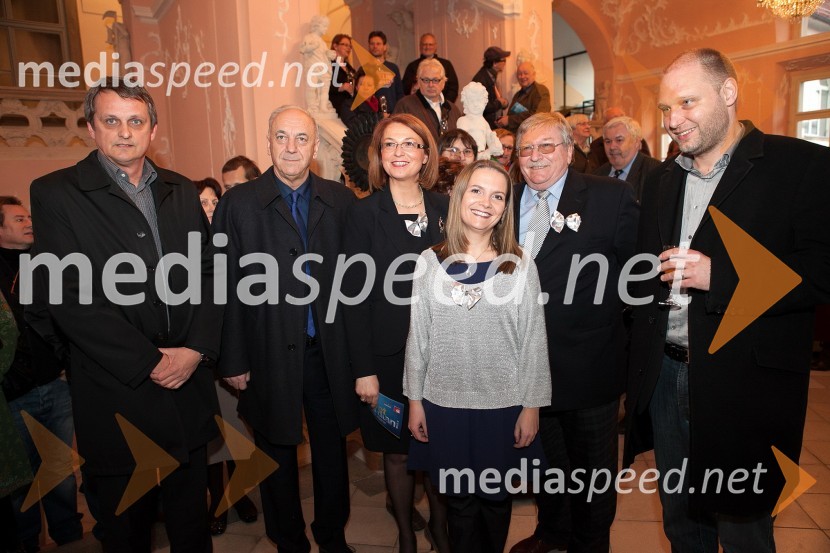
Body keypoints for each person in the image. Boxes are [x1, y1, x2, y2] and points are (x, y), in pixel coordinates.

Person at [624, 48, 830, 552]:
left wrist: (724, 276)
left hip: (746, 385)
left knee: (744, 529)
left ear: (729, 93)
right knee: (682, 523)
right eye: (666, 109)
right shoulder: (662, 179)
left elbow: (822, 272)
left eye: (687, 102)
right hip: (669, 376)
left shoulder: (798, 165)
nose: (674, 120)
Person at [28, 79, 221, 553]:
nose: (124, 132)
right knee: (125, 532)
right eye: (111, 121)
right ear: (92, 127)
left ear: (152, 130)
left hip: (187, 392)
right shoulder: (56, 193)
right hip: (117, 394)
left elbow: (211, 276)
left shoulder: (181, 189)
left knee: (191, 528)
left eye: (136, 121)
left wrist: (195, 349)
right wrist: (150, 362)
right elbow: (68, 297)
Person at [213, 105, 358, 553]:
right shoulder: (237, 204)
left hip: (327, 352)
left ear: (315, 147)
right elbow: (223, 286)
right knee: (276, 452)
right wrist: (232, 359)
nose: (291, 147)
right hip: (266, 352)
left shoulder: (341, 200)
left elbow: (359, 283)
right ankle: (288, 541)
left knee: (333, 452)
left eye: (301, 138)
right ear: (269, 142)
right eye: (282, 137)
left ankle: (332, 537)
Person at [405, 159, 551, 552]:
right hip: (444, 404)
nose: (486, 202)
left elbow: (533, 341)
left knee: (495, 501)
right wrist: (415, 401)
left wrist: (532, 406)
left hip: (503, 405)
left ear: (505, 208)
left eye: (498, 195)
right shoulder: (428, 263)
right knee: (460, 505)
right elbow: (418, 338)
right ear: (458, 196)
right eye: (477, 190)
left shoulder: (519, 265)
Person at [508, 112, 639, 553]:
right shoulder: (502, 201)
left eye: (547, 146)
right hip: (525, 369)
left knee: (592, 476)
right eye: (526, 149)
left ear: (569, 150)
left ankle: (589, 544)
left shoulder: (611, 197)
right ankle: (552, 532)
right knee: (545, 465)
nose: (536, 157)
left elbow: (636, 282)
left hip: (590, 369)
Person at [342, 114, 450, 553]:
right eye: (391, 144)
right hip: (387, 359)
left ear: (426, 154)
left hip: (446, 356)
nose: (400, 152)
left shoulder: (447, 208)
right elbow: (352, 297)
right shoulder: (363, 213)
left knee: (442, 451)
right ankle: (406, 532)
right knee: (399, 450)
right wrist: (363, 370)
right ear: (379, 155)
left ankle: (442, 528)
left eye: (411, 144)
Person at [0, 197, 82, 553]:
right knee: (21, 481)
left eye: (28, 216)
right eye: (19, 219)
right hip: (13, 396)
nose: (29, 222)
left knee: (61, 470)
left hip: (55, 385)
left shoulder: (44, 263)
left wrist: (64, 362)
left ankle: (70, 537)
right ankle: (28, 541)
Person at [190, 178, 259, 536]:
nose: (210, 207)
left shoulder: (234, 239)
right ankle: (216, 500)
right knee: (212, 440)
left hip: (233, 351)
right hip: (203, 358)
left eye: (214, 200)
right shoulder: (191, 245)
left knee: (236, 434)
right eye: (202, 202)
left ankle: (240, 495)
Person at [593, 116, 662, 202]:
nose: (612, 147)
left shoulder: (655, 171)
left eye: (619, 140)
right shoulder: (597, 175)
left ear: (636, 142)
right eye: (608, 141)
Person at [393, 58, 462, 143]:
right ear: (418, 81)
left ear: (444, 82)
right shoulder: (405, 106)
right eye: (426, 80)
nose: (431, 85)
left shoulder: (453, 110)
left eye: (436, 80)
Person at [401, 34, 460, 103]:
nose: (427, 47)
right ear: (420, 46)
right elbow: (405, 88)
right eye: (424, 44)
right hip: (418, 106)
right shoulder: (412, 66)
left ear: (435, 46)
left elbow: (453, 88)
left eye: (430, 44)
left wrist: (444, 104)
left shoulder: (446, 65)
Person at [496, 62, 551, 133]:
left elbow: (539, 116)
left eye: (526, 73)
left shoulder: (541, 90)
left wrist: (509, 120)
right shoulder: (517, 95)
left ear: (533, 74)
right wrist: (502, 122)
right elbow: (511, 116)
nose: (522, 76)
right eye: (519, 74)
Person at [457, 82, 504, 161]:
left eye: (479, 100)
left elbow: (493, 142)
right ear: (466, 102)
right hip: (468, 158)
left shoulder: (484, 122)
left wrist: (495, 146)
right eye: (472, 101)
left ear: (485, 102)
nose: (476, 104)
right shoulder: (463, 121)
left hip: (482, 158)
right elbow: (462, 144)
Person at [363, 31, 405, 114]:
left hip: (393, 113)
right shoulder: (363, 69)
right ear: (369, 46)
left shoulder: (393, 68)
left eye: (378, 44)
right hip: (372, 114)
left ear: (385, 47)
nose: (375, 46)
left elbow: (400, 93)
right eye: (372, 44)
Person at [472, 46, 510, 129]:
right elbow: (481, 107)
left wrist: (502, 103)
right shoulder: (480, 80)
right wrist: (500, 103)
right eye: (503, 60)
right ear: (494, 63)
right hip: (485, 127)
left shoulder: (490, 76)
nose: (505, 63)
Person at [329, 34, 357, 120]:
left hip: (349, 107)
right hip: (335, 108)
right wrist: (341, 87)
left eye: (350, 46)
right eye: (345, 45)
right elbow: (323, 85)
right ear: (335, 46)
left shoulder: (350, 68)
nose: (348, 48)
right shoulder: (329, 64)